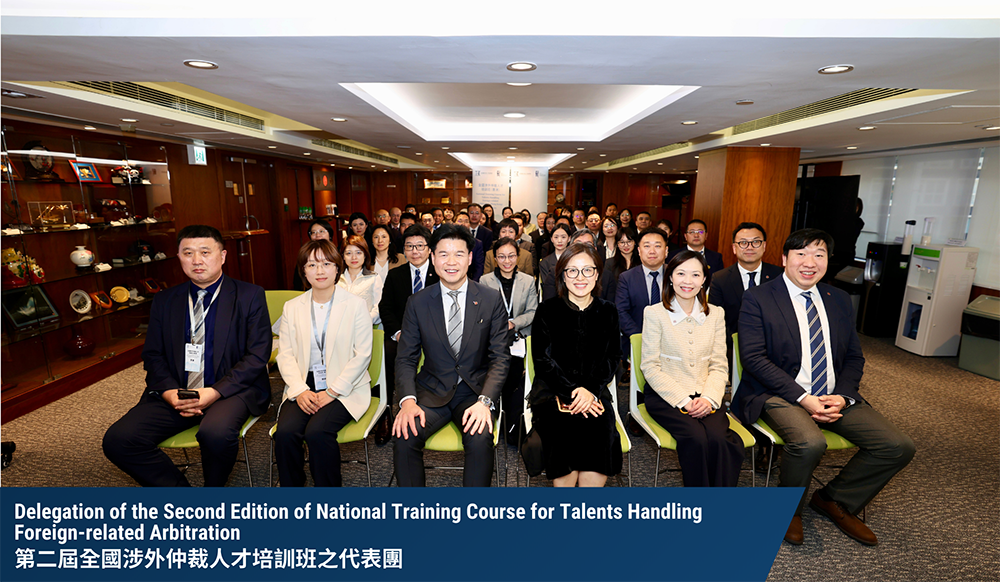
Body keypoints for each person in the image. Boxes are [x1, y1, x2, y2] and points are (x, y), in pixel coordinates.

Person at [736, 228, 915, 546]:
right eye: (801, 254)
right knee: (810, 443)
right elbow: (753, 359)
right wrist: (803, 398)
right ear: (784, 259)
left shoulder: (839, 299)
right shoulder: (759, 298)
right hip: (779, 392)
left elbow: (854, 357)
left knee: (897, 446)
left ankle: (833, 499)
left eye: (819, 255)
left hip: (834, 393)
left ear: (828, 261)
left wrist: (843, 397)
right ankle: (787, 509)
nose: (810, 262)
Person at [103, 225, 271, 486]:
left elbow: (257, 356)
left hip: (230, 390)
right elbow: (153, 355)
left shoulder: (249, 295)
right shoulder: (165, 300)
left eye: (205, 252)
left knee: (215, 433)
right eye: (188, 253)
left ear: (223, 256)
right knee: (119, 440)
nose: (196, 260)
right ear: (179, 257)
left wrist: (214, 392)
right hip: (178, 391)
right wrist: (170, 392)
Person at [393, 224, 511, 487]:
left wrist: (485, 402)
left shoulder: (491, 299)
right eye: (443, 254)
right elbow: (406, 358)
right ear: (432, 258)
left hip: (474, 393)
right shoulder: (418, 302)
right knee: (404, 435)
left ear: (469, 258)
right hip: (431, 391)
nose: (451, 261)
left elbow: (500, 358)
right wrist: (407, 401)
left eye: (458, 254)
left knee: (480, 438)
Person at [273, 240, 373, 486]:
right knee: (285, 433)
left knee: (317, 432)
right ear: (303, 271)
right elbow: (285, 354)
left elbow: (362, 355)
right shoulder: (292, 307)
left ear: (337, 268)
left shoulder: (355, 305)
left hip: (345, 384)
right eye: (312, 265)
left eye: (327, 264)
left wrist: (332, 391)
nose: (320, 271)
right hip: (303, 383)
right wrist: (299, 390)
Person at [640, 250, 744, 487]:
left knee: (720, 439)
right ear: (670, 277)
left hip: (706, 394)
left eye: (695, 275)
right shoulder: (654, 313)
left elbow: (719, 365)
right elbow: (650, 367)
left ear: (704, 280)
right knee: (696, 438)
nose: (688, 281)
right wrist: (684, 401)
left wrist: (708, 398)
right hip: (667, 396)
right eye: (681, 274)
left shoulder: (716, 314)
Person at [529, 243, 622, 486]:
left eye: (587, 270)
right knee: (564, 432)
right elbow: (542, 360)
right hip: (553, 393)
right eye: (572, 271)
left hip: (595, 392)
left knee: (600, 430)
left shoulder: (609, 311)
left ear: (597, 274)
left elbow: (613, 357)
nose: (580, 277)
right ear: (562, 275)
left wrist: (589, 391)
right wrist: (572, 392)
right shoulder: (547, 310)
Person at [376, 224, 439, 445]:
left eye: (420, 246)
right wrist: (398, 333)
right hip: (403, 335)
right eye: (410, 246)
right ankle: (385, 412)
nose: (415, 251)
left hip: (436, 336)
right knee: (385, 353)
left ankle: (433, 406)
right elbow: (385, 308)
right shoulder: (395, 275)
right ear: (404, 249)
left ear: (429, 249)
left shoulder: (440, 273)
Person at [481, 237, 538, 445]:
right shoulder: (485, 281)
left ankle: (511, 419)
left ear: (518, 257)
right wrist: (499, 325)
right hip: (494, 337)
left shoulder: (527, 281)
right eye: (502, 256)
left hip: (520, 336)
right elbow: (481, 313)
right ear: (495, 258)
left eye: (511, 256)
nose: (507, 261)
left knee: (513, 372)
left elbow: (532, 311)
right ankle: (496, 414)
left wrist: (513, 323)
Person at [708, 222, 783, 358]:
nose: (749, 247)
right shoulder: (720, 279)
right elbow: (716, 320)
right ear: (734, 248)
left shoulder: (779, 276)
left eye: (756, 242)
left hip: (773, 350)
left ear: (764, 246)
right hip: (733, 349)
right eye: (743, 243)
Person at [616, 227, 669, 360]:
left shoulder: (677, 275)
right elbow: (621, 311)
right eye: (647, 246)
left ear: (666, 251)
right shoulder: (626, 278)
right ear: (639, 251)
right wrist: (640, 337)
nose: (652, 251)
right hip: (637, 341)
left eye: (658, 246)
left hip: (672, 342)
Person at [338, 235, 383, 325]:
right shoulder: (336, 279)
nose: (354, 257)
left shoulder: (373, 278)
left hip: (364, 326)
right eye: (349, 253)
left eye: (358, 253)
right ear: (343, 256)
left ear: (365, 255)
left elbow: (378, 308)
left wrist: (364, 320)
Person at [599, 227, 639, 305]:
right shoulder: (610, 263)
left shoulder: (642, 262)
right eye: (622, 242)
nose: (626, 245)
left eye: (629, 241)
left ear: (635, 242)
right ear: (617, 244)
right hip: (616, 302)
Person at [294, 219, 335, 291]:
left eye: (321, 231)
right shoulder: (306, 255)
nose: (318, 235)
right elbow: (298, 281)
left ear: (330, 234)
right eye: (313, 232)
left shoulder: (337, 254)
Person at [539, 224, 573, 302]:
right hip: (553, 301)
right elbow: (548, 286)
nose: (559, 241)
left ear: (569, 239)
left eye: (563, 237)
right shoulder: (545, 263)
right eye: (556, 237)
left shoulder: (575, 260)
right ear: (551, 239)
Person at [455, 212, 486, 281]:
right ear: (454, 223)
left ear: (469, 225)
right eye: (460, 221)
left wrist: (472, 284)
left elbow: (479, 268)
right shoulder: (447, 242)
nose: (463, 224)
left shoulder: (477, 243)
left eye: (466, 221)